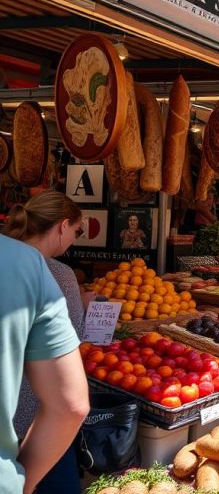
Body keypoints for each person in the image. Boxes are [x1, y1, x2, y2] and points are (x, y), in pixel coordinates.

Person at [4, 191, 90, 493]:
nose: (75, 239)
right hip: (34, 418)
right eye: (77, 231)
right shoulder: (57, 274)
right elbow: (73, 339)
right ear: (62, 226)